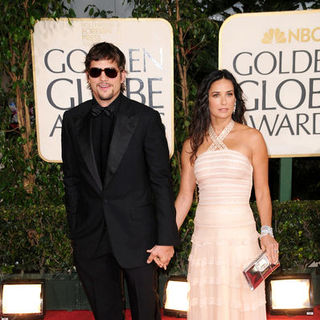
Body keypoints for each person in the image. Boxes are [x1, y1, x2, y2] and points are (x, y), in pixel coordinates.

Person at [61, 42, 179, 320]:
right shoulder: (73, 119)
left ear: (122, 75)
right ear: (88, 76)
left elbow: (161, 181)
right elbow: (71, 180)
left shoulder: (145, 119)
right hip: (91, 237)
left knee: (145, 314)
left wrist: (166, 239)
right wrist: (77, 232)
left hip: (139, 239)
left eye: (110, 72)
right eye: (96, 71)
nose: (103, 78)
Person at [175, 69, 279, 319]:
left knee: (242, 302)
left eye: (229, 94)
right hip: (206, 237)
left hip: (240, 235)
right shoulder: (191, 144)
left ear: (235, 100)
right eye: (216, 95)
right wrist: (166, 237)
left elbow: (262, 192)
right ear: (205, 100)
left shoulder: (252, 138)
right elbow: (185, 197)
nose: (223, 101)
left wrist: (267, 233)